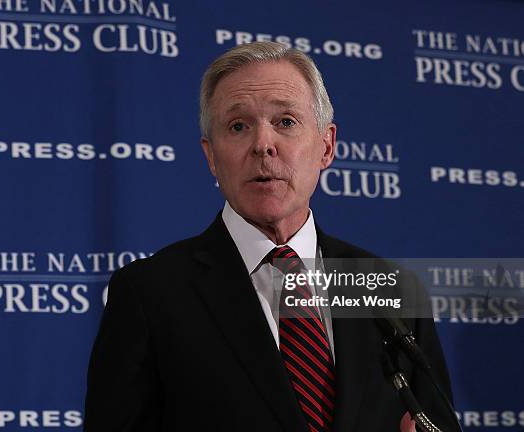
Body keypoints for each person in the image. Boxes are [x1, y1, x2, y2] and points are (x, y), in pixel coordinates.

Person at [84, 41, 455, 432]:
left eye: (286, 122)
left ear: (326, 146)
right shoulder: (150, 294)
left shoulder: (390, 291)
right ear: (211, 156)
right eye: (238, 126)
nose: (263, 145)